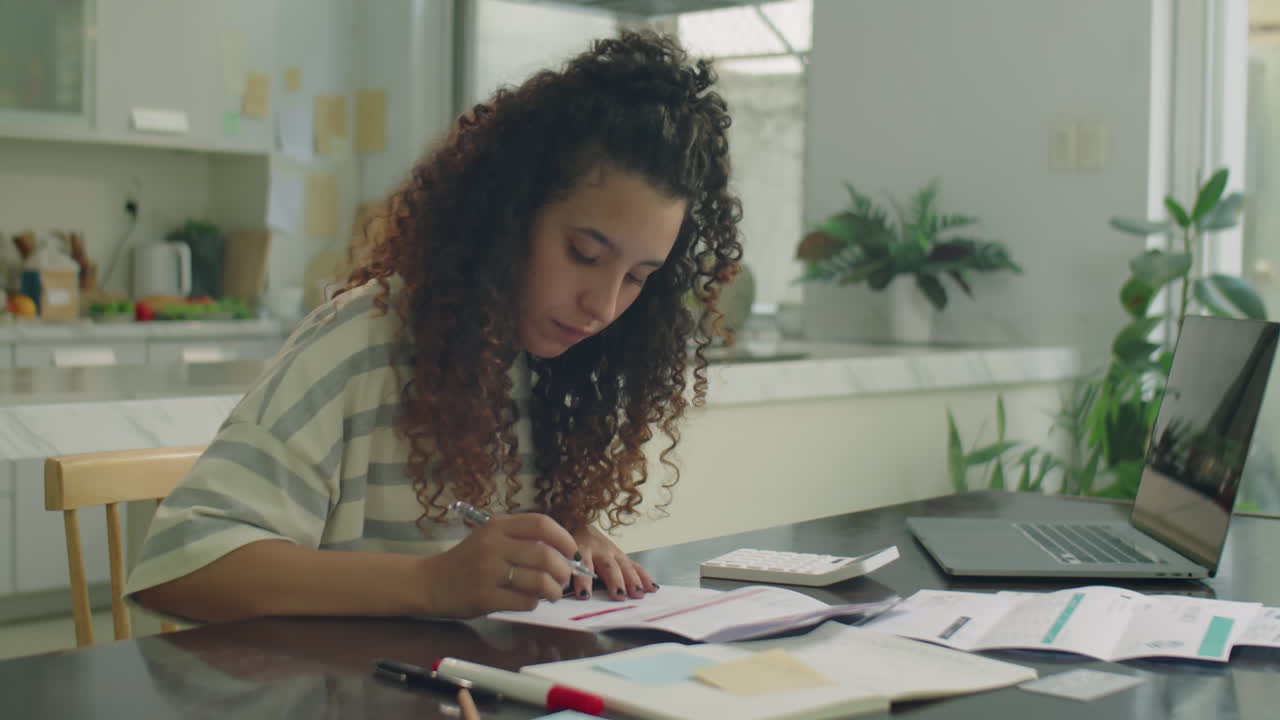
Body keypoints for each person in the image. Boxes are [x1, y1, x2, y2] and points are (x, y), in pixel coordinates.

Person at [127, 30, 742, 623]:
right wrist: (431, 583)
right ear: (508, 214)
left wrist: (565, 540)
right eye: (584, 253)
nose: (604, 306)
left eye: (638, 277)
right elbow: (182, 566)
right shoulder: (364, 342)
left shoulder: (553, 370)